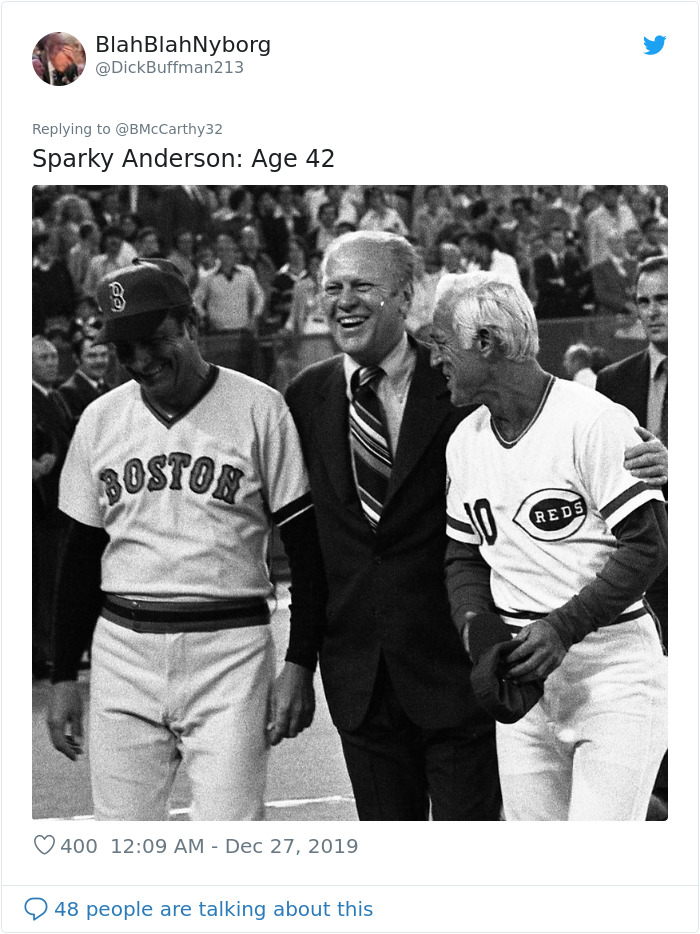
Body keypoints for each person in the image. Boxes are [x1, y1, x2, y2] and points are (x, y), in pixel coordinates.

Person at [47, 258, 325, 821]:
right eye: (125, 349)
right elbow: (77, 560)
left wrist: (299, 662)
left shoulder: (259, 408)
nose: (141, 361)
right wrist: (61, 678)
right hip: (123, 648)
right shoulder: (100, 420)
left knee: (230, 839)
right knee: (123, 843)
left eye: (153, 340)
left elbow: (308, 554)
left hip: (230, 650)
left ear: (191, 323)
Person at [431, 272, 668, 821]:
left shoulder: (595, 420)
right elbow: (463, 554)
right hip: (524, 673)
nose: (436, 360)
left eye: (442, 345)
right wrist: (477, 629)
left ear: (485, 343)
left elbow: (646, 547)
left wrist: (563, 627)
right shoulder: (464, 441)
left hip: (614, 669)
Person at [285, 232, 501, 821]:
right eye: (333, 288)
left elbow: (540, 449)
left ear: (406, 298)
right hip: (360, 681)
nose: (344, 301)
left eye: (362, 286)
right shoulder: (304, 397)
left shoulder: (460, 383)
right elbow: (304, 549)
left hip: (458, 670)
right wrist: (299, 660)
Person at [33, 337, 71, 678]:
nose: (52, 362)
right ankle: (39, 652)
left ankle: (50, 648)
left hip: (59, 502)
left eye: (54, 356)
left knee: (55, 580)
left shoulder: (54, 396)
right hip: (38, 506)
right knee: (42, 582)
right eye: (43, 357)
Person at [52, 334, 112, 434]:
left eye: (103, 355)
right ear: (77, 358)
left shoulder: (107, 387)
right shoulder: (67, 392)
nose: (99, 361)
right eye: (92, 356)